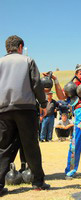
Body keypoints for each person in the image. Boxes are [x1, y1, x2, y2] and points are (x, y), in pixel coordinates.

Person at [0, 35, 50, 195]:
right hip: (25, 108)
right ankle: (38, 182)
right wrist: (43, 103)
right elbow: (36, 83)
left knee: (3, 147)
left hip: (3, 109)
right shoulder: (27, 60)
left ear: (7, 48)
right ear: (20, 46)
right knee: (30, 146)